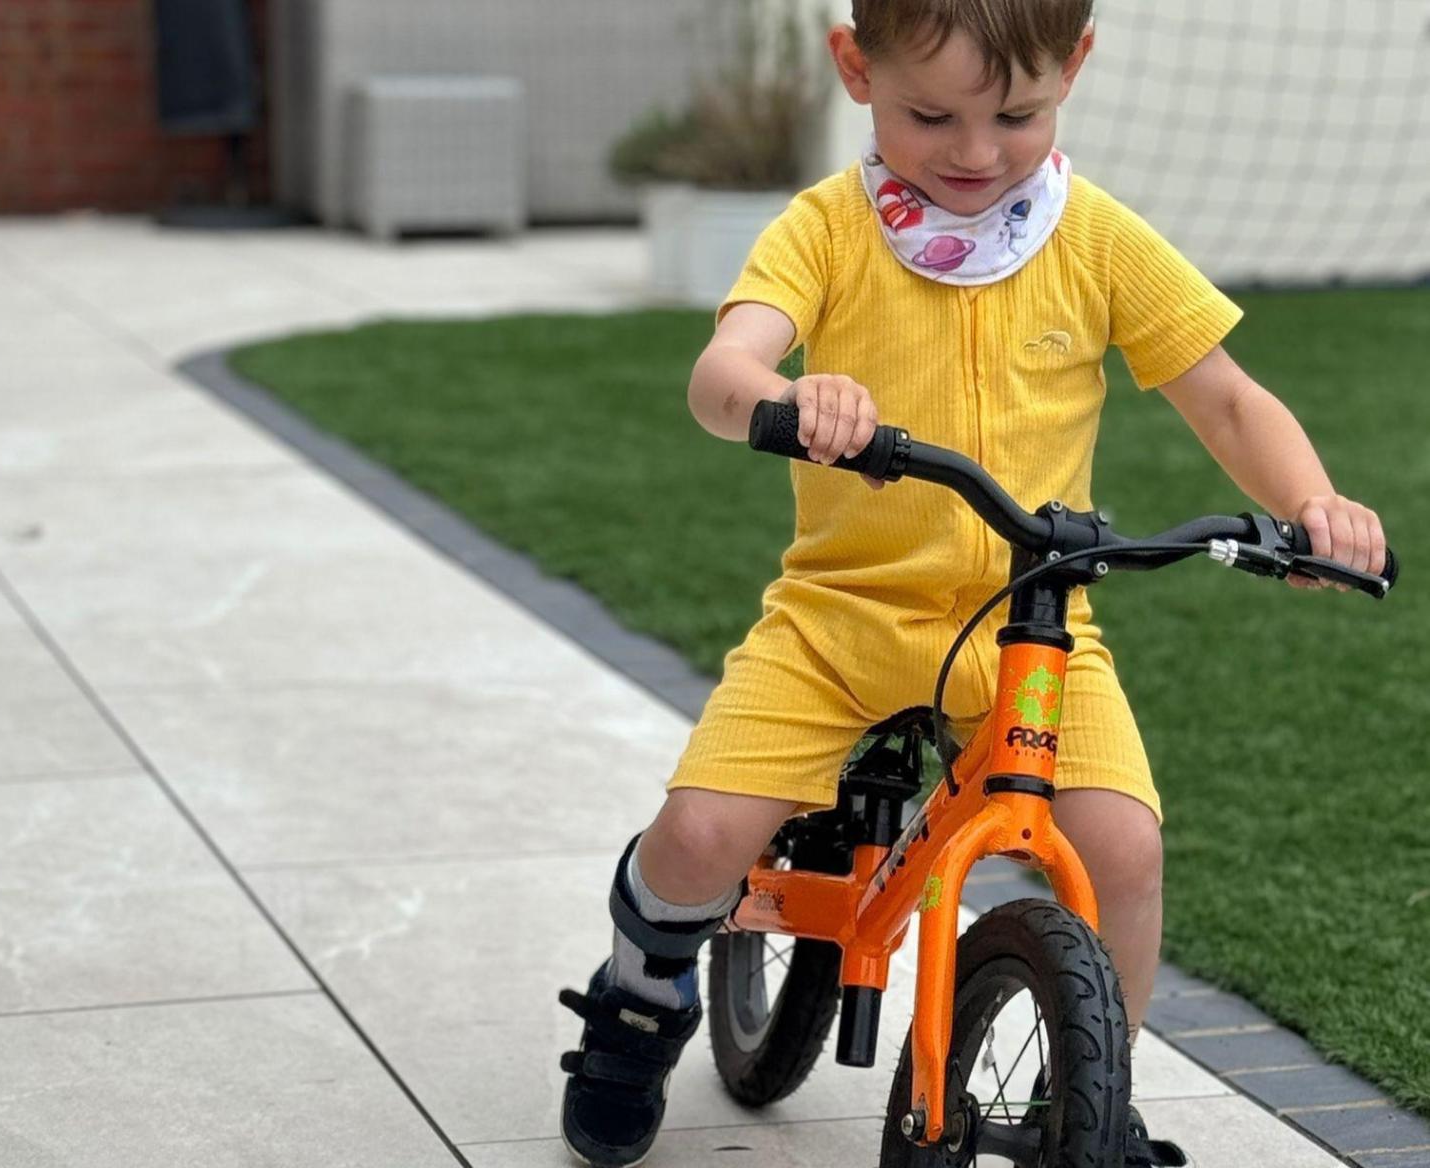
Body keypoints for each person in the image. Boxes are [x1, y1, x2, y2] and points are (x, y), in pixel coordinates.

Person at [557, 2, 1388, 1166]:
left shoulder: (1093, 236)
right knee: (699, 836)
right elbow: (720, 371)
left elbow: (1229, 400)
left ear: (1074, 70)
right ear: (855, 67)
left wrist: (1313, 507)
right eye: (928, 114)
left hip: (1031, 625)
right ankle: (640, 997)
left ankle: (1098, 1091)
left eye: (1016, 114)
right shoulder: (827, 231)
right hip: (839, 615)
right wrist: (782, 396)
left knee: (1123, 851)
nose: (974, 151)